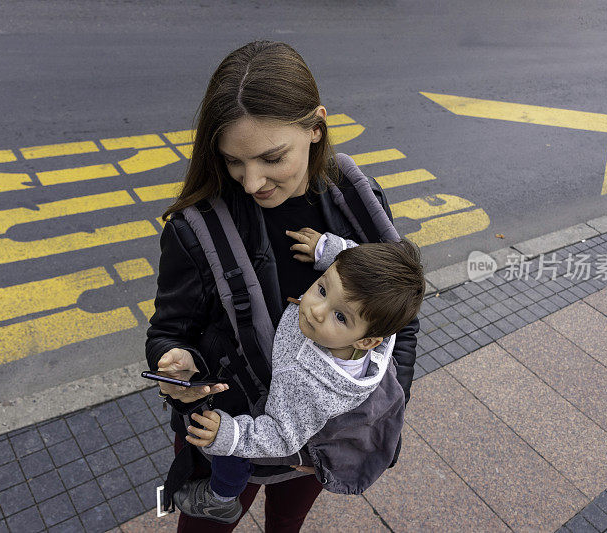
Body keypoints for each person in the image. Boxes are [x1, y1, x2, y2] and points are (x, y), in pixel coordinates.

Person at [145, 40, 420, 532]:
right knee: (202, 522)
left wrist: (370, 418)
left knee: (288, 523)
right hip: (227, 430)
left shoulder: (357, 203)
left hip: (317, 437)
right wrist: (176, 372)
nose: (252, 183)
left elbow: (401, 318)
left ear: (316, 127)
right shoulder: (194, 231)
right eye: (233, 162)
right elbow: (167, 333)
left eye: (272, 158)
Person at [172, 234, 424, 524]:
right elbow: (358, 267)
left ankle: (222, 500)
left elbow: (281, 435)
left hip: (286, 428)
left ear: (368, 341)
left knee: (232, 450)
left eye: (340, 317)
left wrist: (230, 435)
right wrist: (331, 250)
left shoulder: (308, 383)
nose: (316, 311)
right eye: (322, 289)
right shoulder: (379, 324)